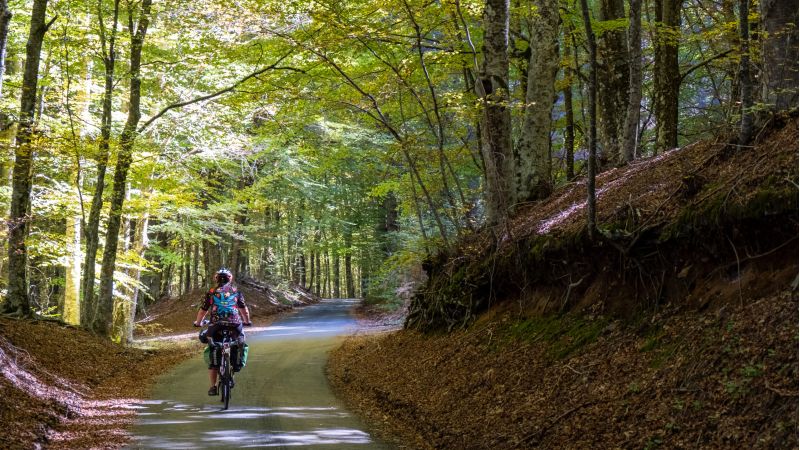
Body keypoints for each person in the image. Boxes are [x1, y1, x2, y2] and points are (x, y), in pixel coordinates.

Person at [193, 268, 252, 396]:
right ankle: (234, 366)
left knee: (212, 348)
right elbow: (244, 310)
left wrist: (198, 323)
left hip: (216, 325)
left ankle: (213, 386)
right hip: (235, 325)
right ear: (230, 279)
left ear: (216, 279)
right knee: (239, 342)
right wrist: (247, 321)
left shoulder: (211, 292)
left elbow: (203, 310)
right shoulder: (236, 292)